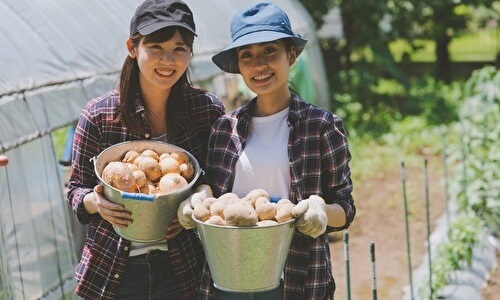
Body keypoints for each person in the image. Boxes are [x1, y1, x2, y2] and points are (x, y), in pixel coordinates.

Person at [177, 2, 356, 299]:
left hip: (296, 278)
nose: (259, 65)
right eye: (247, 55)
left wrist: (322, 212)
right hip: (229, 277)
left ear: (292, 55)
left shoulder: (321, 126)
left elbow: (346, 209)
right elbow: (214, 193)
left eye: (269, 51)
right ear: (239, 65)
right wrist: (200, 198)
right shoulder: (225, 128)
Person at [66, 0, 225, 299]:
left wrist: (195, 205)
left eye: (179, 49)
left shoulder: (207, 112)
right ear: (132, 47)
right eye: (155, 47)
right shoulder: (100, 115)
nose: (168, 60)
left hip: (183, 269)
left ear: (190, 54)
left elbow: (217, 182)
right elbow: (75, 189)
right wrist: (95, 202)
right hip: (113, 270)